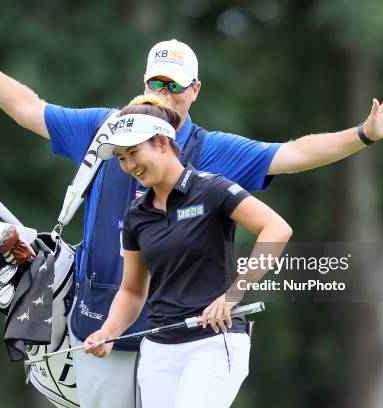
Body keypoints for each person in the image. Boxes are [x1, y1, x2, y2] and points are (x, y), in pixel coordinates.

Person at [0, 8, 383, 408]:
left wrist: (364, 134)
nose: (164, 94)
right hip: (103, 322)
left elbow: (293, 155)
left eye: (174, 86)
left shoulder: (213, 150)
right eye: (155, 83)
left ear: (195, 90)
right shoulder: (107, 130)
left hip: (184, 336)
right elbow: (26, 107)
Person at [83, 101, 292, 408]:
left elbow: (276, 229)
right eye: (121, 158)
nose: (129, 166)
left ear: (163, 143)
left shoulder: (211, 189)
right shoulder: (136, 216)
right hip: (158, 349)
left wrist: (234, 293)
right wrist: (108, 332)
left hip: (213, 343)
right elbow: (131, 290)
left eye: (134, 153)